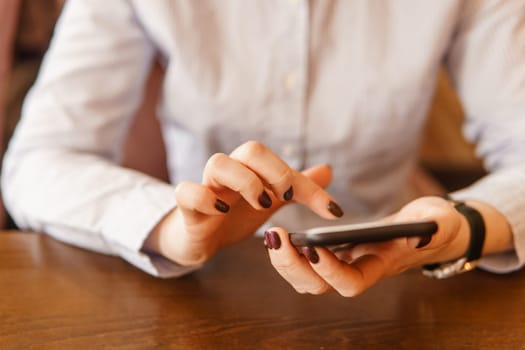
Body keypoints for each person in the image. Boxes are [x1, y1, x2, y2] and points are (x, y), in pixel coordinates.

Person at [2, 1, 524, 296]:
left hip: (399, 288)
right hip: (199, 291)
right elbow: (39, 160)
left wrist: (469, 224)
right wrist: (172, 226)